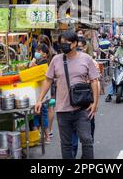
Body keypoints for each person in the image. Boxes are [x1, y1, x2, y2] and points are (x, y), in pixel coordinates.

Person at [35, 30, 99, 159]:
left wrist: (95, 103)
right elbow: (48, 80)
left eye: (66, 43)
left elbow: (94, 80)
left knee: (86, 140)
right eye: (61, 43)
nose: (62, 45)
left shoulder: (86, 59)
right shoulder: (56, 60)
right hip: (62, 109)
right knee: (66, 144)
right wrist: (39, 100)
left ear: (75, 43)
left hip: (82, 108)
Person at [71, 38, 100, 158]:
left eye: (81, 47)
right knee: (72, 131)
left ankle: (87, 151)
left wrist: (95, 102)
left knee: (88, 130)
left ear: (86, 48)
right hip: (71, 102)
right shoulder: (66, 61)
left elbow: (96, 82)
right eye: (77, 47)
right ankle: (72, 153)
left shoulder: (91, 62)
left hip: (87, 101)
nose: (79, 50)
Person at [30, 44, 52, 143]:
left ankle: (46, 137)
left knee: (42, 115)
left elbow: (31, 67)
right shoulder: (42, 62)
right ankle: (38, 136)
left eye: (38, 51)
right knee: (37, 115)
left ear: (44, 54)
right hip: (39, 93)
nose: (37, 53)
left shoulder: (43, 63)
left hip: (41, 94)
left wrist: (34, 60)